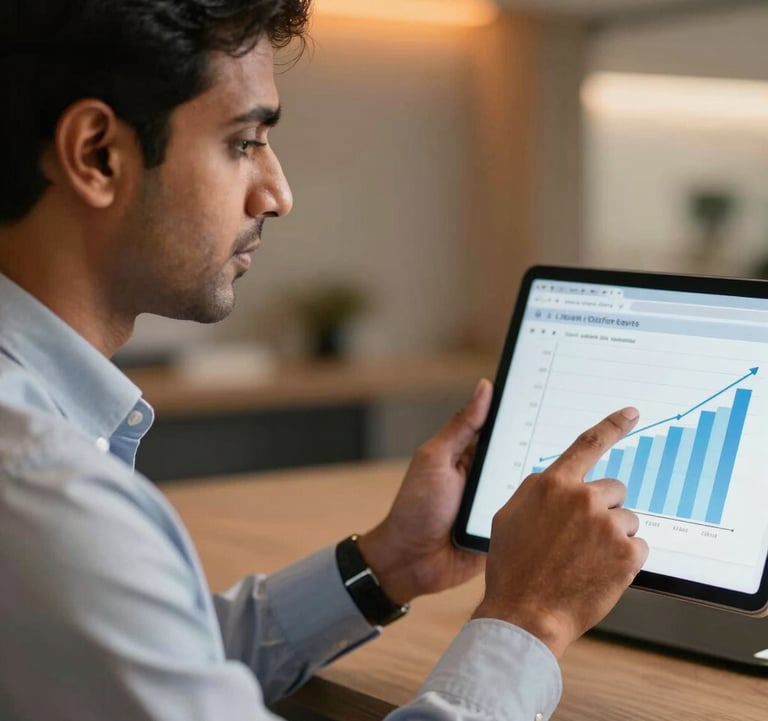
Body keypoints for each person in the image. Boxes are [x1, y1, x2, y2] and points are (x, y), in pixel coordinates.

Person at [0, 2, 649, 719]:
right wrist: (530, 619)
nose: (278, 194)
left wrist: (388, 564)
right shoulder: (40, 493)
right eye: (244, 142)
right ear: (97, 154)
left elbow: (150, 663)